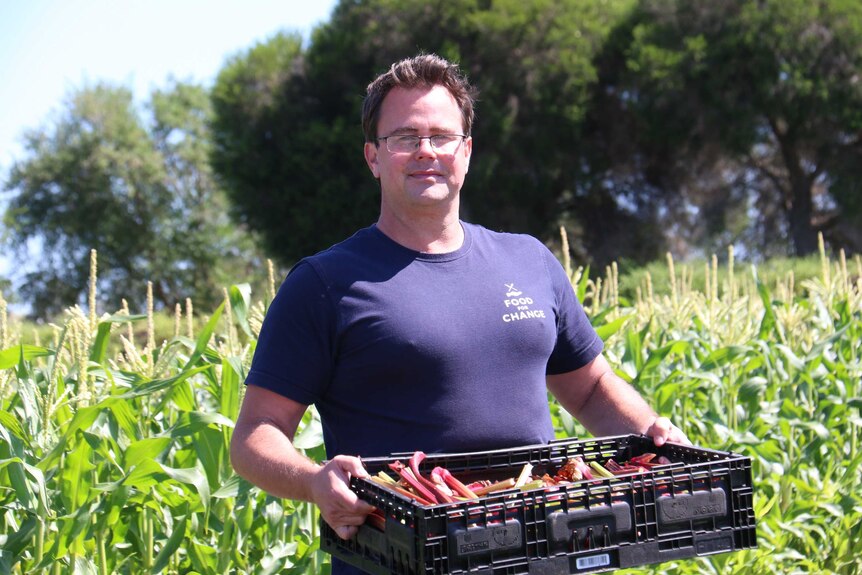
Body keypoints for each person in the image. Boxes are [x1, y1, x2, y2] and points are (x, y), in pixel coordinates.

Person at [230, 53, 688, 574]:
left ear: (465, 152)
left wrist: (653, 432)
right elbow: (254, 436)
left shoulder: (528, 260)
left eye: (441, 137)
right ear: (373, 157)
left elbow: (588, 387)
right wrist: (315, 481)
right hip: (402, 554)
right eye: (403, 138)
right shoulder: (325, 283)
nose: (425, 152)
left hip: (538, 551)